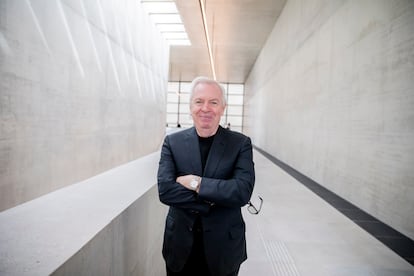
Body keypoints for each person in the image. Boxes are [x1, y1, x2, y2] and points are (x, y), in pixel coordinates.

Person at [157, 76, 255, 276]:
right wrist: (212, 199)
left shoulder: (240, 144)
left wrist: (196, 183)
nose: (206, 108)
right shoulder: (172, 143)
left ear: (223, 107)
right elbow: (165, 191)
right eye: (199, 101)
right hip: (180, 246)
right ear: (190, 106)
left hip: (223, 248)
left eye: (213, 102)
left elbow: (242, 192)